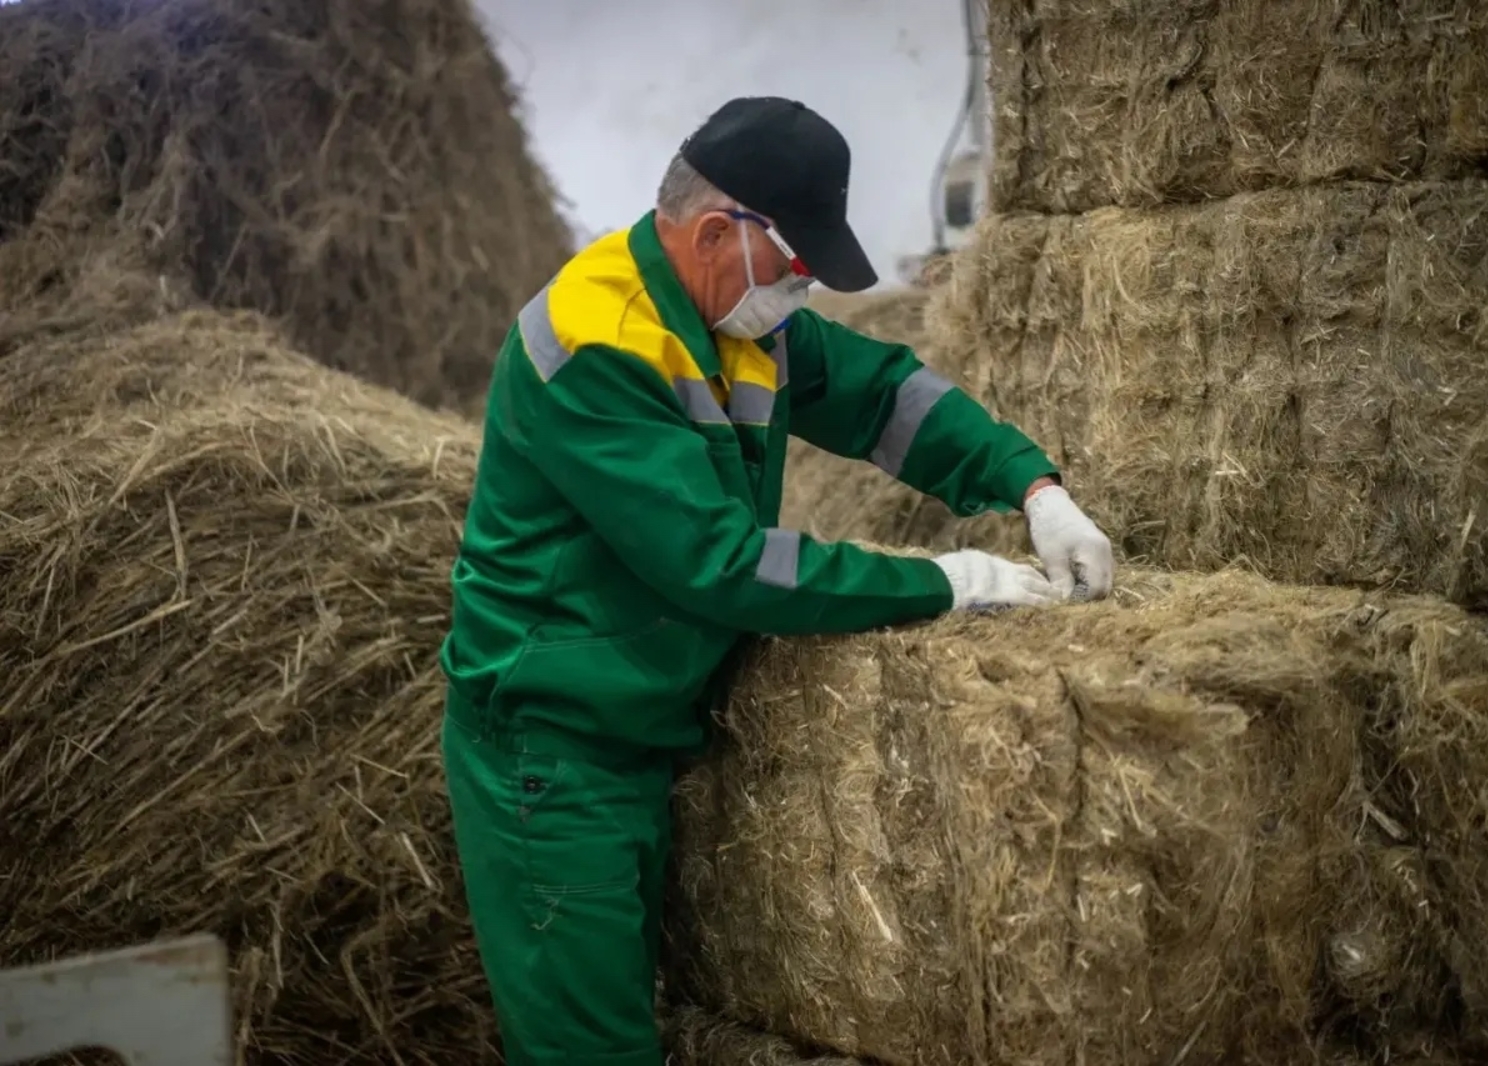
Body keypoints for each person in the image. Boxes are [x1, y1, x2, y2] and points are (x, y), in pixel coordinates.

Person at [438, 96, 1114, 1066]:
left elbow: (883, 395)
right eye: (795, 271)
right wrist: (946, 581)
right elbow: (721, 564)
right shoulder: (596, 344)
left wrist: (1031, 483)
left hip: (641, 719)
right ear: (718, 231)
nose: (799, 298)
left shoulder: (733, 317)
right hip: (553, 749)